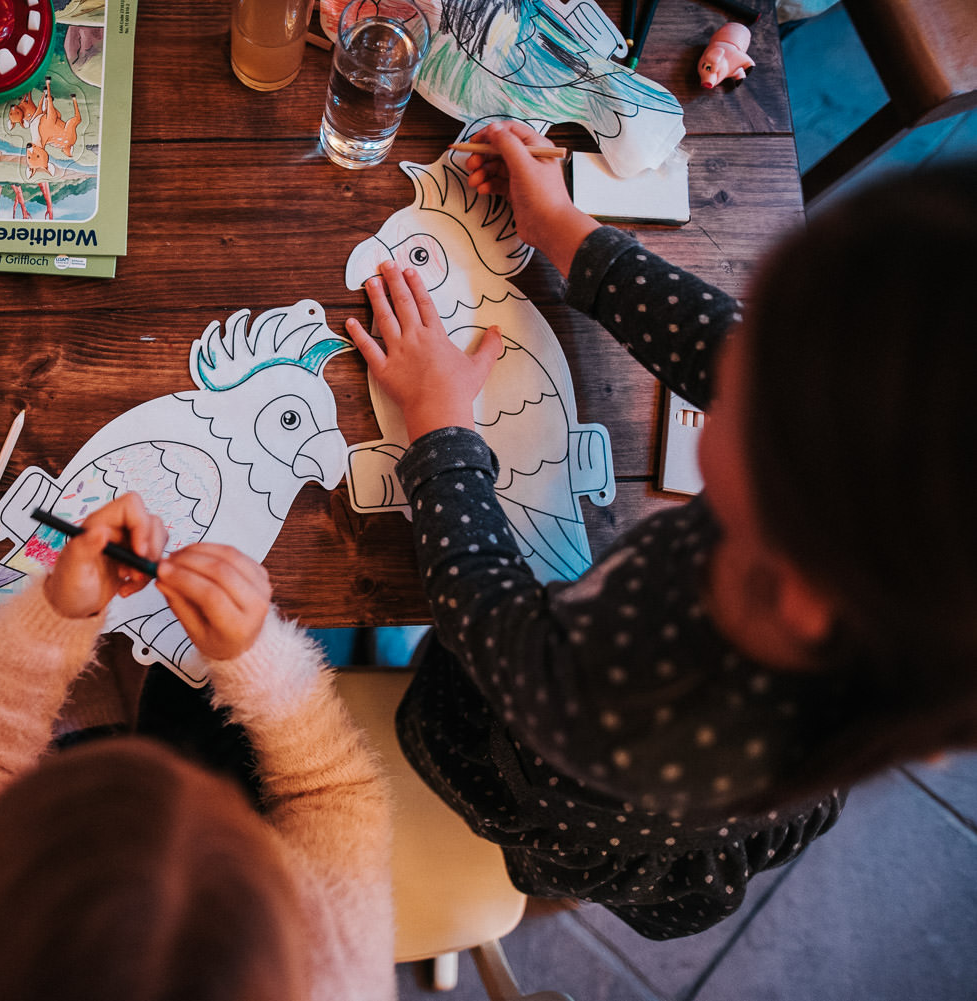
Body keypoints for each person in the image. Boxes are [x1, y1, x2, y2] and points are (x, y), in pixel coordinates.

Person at [343, 119, 977, 939]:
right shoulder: (863, 540)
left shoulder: (640, 695)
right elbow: (716, 339)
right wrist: (565, 232)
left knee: (457, 688)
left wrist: (439, 424)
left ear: (803, 579)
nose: (735, 358)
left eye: (761, 388)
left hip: (534, 744)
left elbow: (487, 617)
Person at [0, 493, 393, 1001]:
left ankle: (97, 713)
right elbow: (331, 790)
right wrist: (257, 658)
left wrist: (54, 620)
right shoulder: (336, 978)